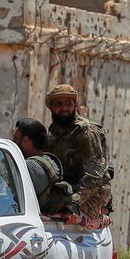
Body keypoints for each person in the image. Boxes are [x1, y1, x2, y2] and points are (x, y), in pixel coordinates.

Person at [44, 84, 113, 220]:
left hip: (91, 195)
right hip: (68, 192)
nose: (63, 108)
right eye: (58, 104)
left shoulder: (85, 131)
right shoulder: (54, 131)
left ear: (75, 105)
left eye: (68, 103)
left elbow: (94, 175)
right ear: (51, 107)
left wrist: (73, 201)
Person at [12, 118, 74, 214]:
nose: (12, 142)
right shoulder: (49, 161)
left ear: (25, 141)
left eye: (15, 138)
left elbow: (2, 174)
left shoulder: (30, 167)